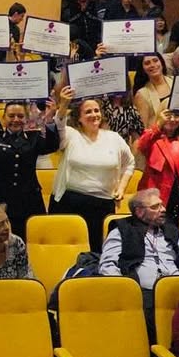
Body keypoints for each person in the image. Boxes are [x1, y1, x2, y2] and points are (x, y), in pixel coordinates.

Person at [99, 188, 179, 333]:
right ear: (139, 211)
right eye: (155, 207)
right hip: (143, 294)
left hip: (178, 290)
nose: (163, 209)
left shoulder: (171, 231)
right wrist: (127, 290)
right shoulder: (122, 230)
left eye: (162, 205)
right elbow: (107, 265)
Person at [50, 87, 136, 251]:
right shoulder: (70, 134)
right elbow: (59, 124)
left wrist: (122, 188)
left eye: (96, 110)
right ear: (79, 118)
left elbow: (130, 163)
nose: (94, 114)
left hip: (103, 205)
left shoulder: (113, 138)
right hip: (69, 203)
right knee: (67, 252)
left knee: (98, 250)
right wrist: (63, 105)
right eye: (88, 112)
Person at [0, 98, 60, 237]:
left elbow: (52, 146)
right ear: (3, 117)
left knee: (27, 239)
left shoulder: (34, 137)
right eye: (11, 116)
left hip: (27, 200)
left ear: (26, 118)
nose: (16, 120)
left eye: (20, 116)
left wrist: (49, 119)